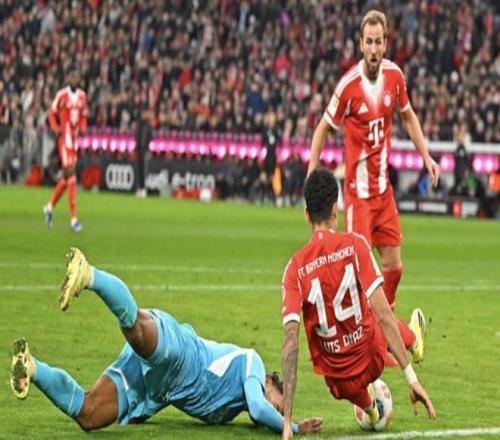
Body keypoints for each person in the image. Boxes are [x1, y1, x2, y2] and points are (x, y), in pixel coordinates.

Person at [10, 248, 322, 436]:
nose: (273, 411)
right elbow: (258, 406)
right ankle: (89, 274)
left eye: (278, 412)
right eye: (278, 405)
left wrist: (144, 409)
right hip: (180, 352)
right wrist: (291, 427)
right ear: (270, 381)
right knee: (135, 330)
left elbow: (184, 396)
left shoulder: (230, 409)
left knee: (89, 414)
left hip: (158, 385)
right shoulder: (252, 362)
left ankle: (31, 367)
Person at [308, 10, 440, 361]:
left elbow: (408, 116)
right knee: (359, 279)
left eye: (379, 41)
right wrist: (311, 170)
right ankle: (399, 338)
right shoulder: (348, 86)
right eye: (368, 41)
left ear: (385, 44)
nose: (374, 48)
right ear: (361, 44)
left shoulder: (395, 77)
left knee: (394, 267)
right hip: (359, 199)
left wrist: (426, 156)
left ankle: (386, 331)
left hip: (384, 194)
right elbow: (323, 128)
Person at [281, 169, 436, 439]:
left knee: (336, 369)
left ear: (306, 214)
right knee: (371, 306)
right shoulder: (355, 245)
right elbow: (384, 315)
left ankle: (370, 409)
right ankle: (413, 342)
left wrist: (287, 422)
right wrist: (411, 378)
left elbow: (290, 343)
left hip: (338, 383)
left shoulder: (294, 269)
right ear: (335, 209)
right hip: (373, 358)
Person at [43, 70, 88, 232]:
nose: (74, 79)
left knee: (66, 177)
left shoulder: (82, 96)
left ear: (79, 79)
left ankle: (49, 207)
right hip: (64, 140)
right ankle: (74, 219)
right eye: (72, 76)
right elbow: (51, 113)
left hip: (74, 141)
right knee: (72, 174)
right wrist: (55, 128)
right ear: (68, 78)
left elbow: (83, 116)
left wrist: (83, 127)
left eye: (76, 76)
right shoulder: (62, 95)